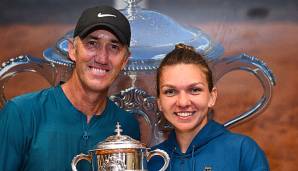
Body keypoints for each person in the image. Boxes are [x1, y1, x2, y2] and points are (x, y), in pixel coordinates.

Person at [0, 5, 140, 171]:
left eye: (114, 47)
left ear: (125, 60)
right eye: (92, 43)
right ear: (72, 50)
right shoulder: (22, 113)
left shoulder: (126, 126)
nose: (102, 58)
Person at [148, 44, 269, 171]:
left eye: (194, 90)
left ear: (212, 97)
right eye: (170, 91)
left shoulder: (242, 151)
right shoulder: (151, 160)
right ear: (159, 102)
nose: (183, 102)